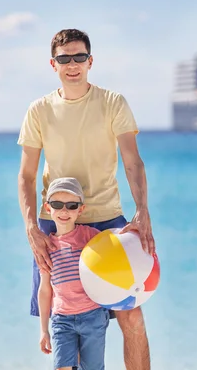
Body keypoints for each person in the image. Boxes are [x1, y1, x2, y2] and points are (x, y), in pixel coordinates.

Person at [17, 28, 156, 370]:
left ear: (90, 61)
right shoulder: (39, 110)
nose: (73, 64)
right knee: (70, 322)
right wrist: (31, 227)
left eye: (79, 57)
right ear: (54, 64)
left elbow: (132, 161)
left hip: (108, 222)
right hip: (60, 223)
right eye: (64, 58)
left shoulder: (112, 103)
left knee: (131, 318)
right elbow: (27, 176)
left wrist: (142, 211)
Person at [38, 177, 110, 370]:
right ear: (47, 207)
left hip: (92, 315)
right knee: (62, 367)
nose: (64, 211)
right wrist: (43, 329)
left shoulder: (91, 237)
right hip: (62, 319)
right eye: (57, 204)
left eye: (71, 205)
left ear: (81, 209)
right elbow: (45, 289)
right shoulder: (46, 246)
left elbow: (115, 255)